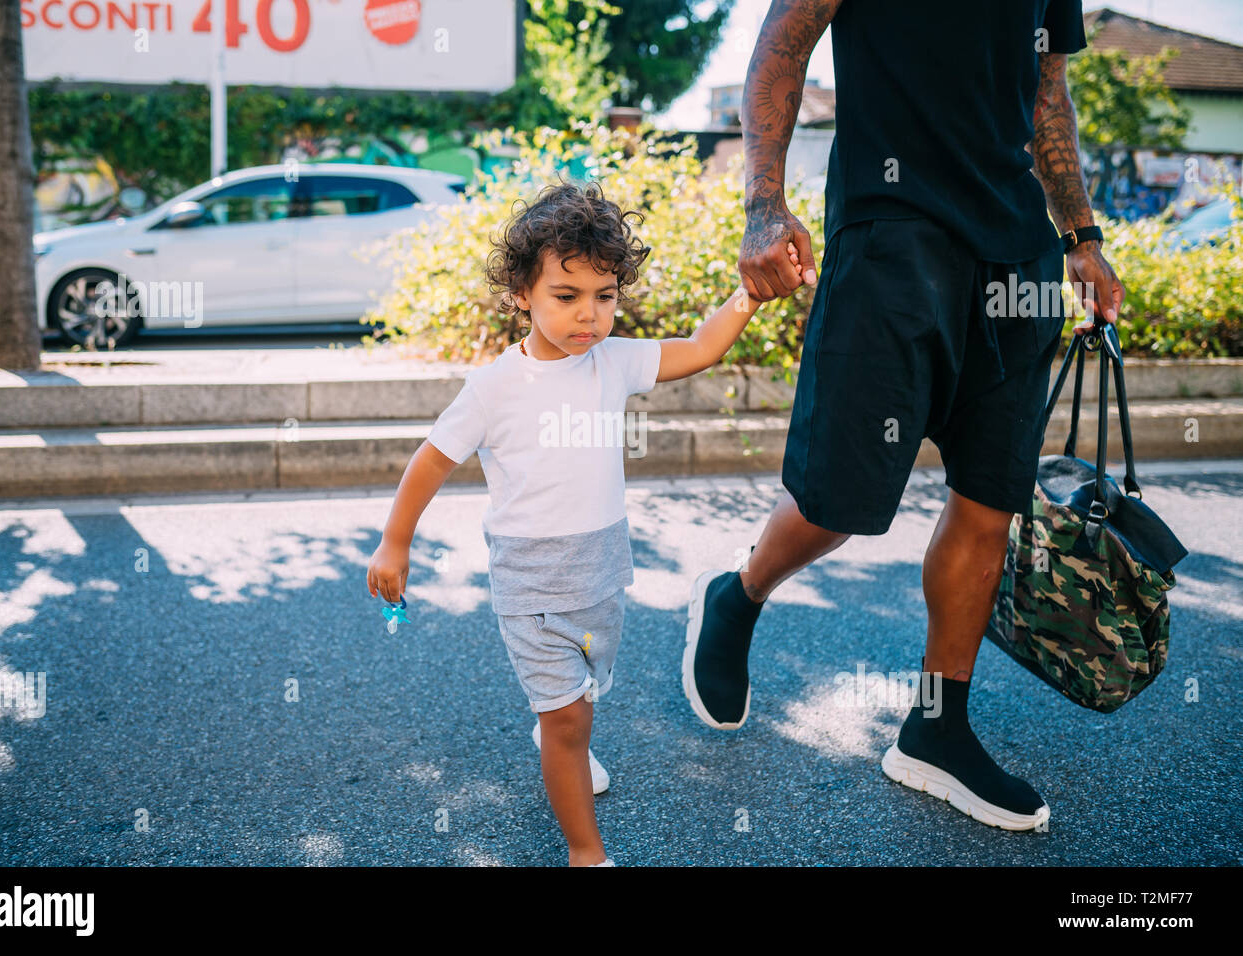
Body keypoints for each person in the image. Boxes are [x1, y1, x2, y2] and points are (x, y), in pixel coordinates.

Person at [681, 0, 1126, 831]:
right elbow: (783, 43)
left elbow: (1047, 96)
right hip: (894, 235)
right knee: (837, 500)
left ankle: (935, 726)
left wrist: (1081, 235)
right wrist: (763, 205)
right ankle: (739, 595)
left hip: (1018, 258)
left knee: (990, 501)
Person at [368, 179, 799, 865]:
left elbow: (700, 348)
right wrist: (396, 542)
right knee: (569, 719)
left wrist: (750, 294)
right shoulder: (494, 387)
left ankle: (559, 731)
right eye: (566, 297)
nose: (588, 315)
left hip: (602, 578)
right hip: (532, 587)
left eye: (605, 296)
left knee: (585, 700)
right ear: (522, 295)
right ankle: (585, 852)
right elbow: (431, 460)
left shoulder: (614, 361)